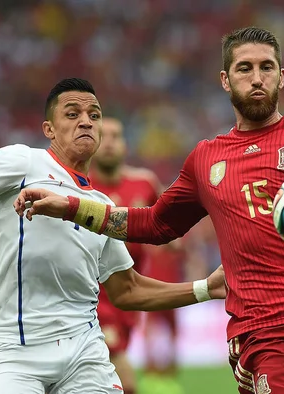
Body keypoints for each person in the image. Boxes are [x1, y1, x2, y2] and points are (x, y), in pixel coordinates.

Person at [13, 27, 284, 394]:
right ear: (225, 80)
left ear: (281, 76)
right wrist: (70, 207)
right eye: (244, 68)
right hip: (268, 333)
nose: (257, 78)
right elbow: (155, 223)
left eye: (266, 67)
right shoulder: (207, 159)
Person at [0, 78, 226, 394]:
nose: (86, 121)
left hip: (84, 354)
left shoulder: (103, 208)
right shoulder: (24, 161)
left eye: (94, 115)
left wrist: (206, 288)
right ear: (49, 129)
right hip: (16, 351)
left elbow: (128, 290)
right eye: (72, 114)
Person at [90, 117, 184, 394]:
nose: (108, 142)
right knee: (126, 383)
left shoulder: (144, 182)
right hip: (91, 299)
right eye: (102, 136)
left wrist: (172, 243)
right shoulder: (81, 187)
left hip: (127, 299)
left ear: (124, 144)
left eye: (115, 136)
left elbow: (166, 224)